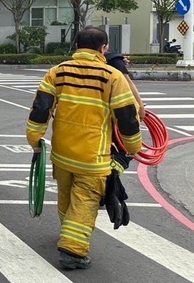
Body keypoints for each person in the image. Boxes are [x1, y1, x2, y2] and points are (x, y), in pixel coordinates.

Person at [26, 26, 142, 270]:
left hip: (62, 155)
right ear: (103, 49)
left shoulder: (57, 73)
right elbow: (128, 118)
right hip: (93, 158)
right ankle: (73, 251)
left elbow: (40, 109)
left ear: (76, 46)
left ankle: (68, 234)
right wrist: (133, 146)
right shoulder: (112, 77)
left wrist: (35, 139)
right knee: (86, 200)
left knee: (66, 198)